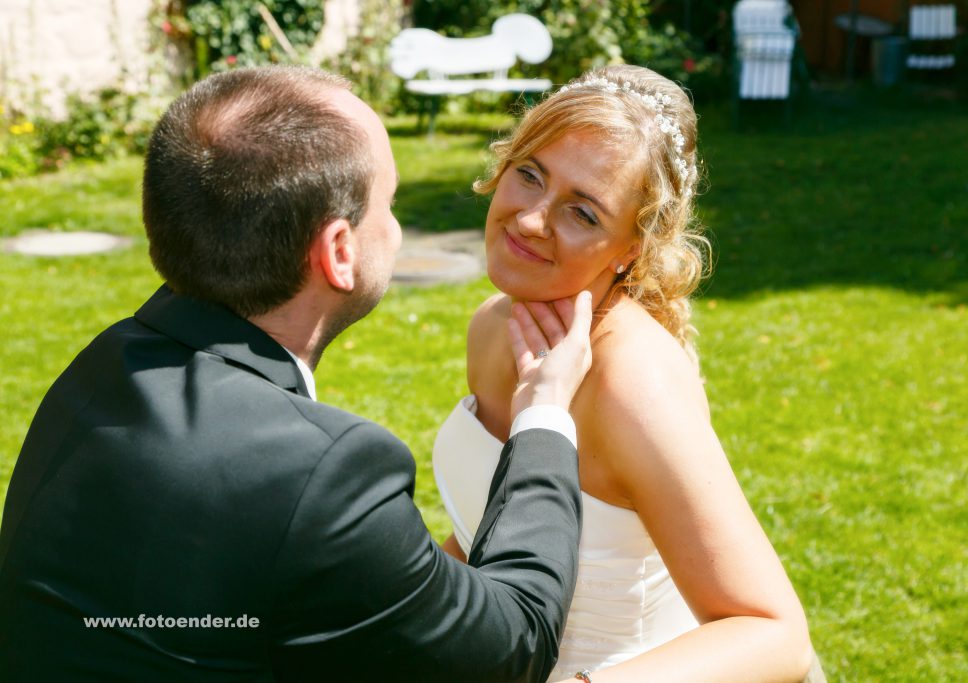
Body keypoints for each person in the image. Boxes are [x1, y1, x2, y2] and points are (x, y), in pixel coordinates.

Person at [0, 66, 595, 682]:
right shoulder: (322, 472)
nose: (391, 230)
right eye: (387, 207)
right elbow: (513, 644)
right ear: (339, 252)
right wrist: (544, 409)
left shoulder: (103, 366)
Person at [433, 64, 820, 682]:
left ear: (631, 249)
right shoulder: (492, 326)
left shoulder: (632, 382)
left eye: (582, 213)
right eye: (529, 175)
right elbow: (490, 525)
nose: (531, 220)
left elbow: (775, 635)